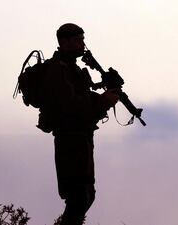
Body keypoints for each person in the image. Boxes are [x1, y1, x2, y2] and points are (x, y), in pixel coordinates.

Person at [40, 23, 119, 225]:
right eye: (77, 40)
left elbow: (82, 99)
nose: (82, 44)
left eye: (82, 39)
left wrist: (105, 97)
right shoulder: (58, 70)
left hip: (82, 137)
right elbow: (70, 105)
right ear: (63, 42)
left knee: (87, 195)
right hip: (69, 139)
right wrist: (102, 102)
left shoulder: (73, 69)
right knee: (78, 197)